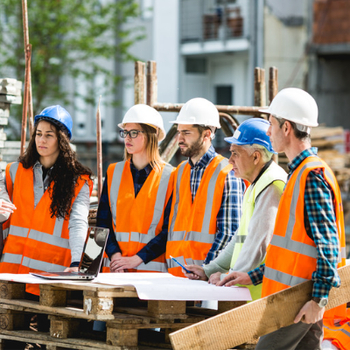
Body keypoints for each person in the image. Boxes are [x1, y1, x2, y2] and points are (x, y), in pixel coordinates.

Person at [224, 88, 346, 350]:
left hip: (298, 300)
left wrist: (319, 301)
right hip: (295, 297)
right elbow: (288, 252)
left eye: (271, 124)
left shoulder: (311, 176)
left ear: (287, 128)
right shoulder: (299, 174)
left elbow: (328, 245)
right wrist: (252, 275)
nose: (268, 132)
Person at [184, 118, 287, 302]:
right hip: (253, 294)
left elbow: (258, 245)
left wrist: (228, 277)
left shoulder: (272, 185)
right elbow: (239, 240)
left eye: (235, 154)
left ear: (256, 157)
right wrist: (210, 270)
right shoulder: (256, 185)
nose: (230, 160)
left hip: (265, 298)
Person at [0, 105, 93, 296]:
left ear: (62, 140)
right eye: (38, 134)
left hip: (50, 277)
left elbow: (78, 223)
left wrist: (76, 262)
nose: (41, 140)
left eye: (49, 135)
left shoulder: (78, 180)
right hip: (11, 275)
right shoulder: (13, 172)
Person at [165, 97, 245, 277]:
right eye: (179, 132)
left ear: (207, 134)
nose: (180, 139)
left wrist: (207, 269)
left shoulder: (227, 173)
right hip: (176, 276)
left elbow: (229, 232)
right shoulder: (179, 172)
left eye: (186, 133)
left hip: (209, 279)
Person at [96, 104, 174, 272]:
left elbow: (170, 230)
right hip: (114, 272)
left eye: (134, 133)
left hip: (151, 276)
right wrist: (115, 255)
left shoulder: (171, 177)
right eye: (125, 132)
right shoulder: (113, 172)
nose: (127, 138)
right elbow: (103, 222)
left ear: (151, 135)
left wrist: (137, 259)